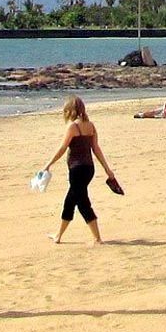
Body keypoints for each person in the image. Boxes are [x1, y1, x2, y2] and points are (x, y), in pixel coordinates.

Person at [41, 95, 119, 244]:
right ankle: (60, 235)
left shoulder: (73, 127)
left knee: (79, 203)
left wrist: (48, 164)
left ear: (70, 110)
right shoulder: (91, 126)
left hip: (76, 170)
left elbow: (63, 148)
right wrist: (107, 169)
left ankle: (96, 239)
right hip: (89, 169)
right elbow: (96, 149)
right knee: (74, 201)